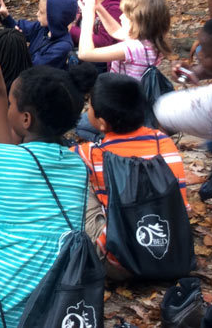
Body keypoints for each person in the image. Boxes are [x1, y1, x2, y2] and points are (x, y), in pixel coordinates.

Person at [0, 57, 96, 328]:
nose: (8, 108)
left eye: (10, 105)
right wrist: (2, 92)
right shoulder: (79, 166)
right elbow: (8, 154)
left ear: (25, 118)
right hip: (53, 311)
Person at [73, 72, 188, 279]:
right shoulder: (164, 142)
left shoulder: (90, 153)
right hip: (171, 252)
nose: (87, 109)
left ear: (102, 123)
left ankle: (99, 247)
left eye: (89, 105)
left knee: (80, 184)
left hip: (119, 264)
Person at [154, 13, 212, 264]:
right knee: (165, 108)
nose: (199, 55)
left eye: (206, 54)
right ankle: (150, 171)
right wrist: (196, 72)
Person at [44, 0, 129, 64]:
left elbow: (104, 42)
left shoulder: (114, 8)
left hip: (93, 59)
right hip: (73, 45)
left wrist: (71, 30)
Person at [77, 0, 171, 79]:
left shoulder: (134, 47)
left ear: (138, 23)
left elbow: (85, 54)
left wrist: (88, 17)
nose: (121, 17)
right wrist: (98, 7)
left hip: (122, 94)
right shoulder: (149, 40)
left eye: (126, 15)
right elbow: (116, 31)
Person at [0, 0, 79, 70]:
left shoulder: (62, 47)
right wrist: (5, 15)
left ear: (53, 17)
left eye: (41, 12)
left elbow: (34, 68)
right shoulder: (43, 28)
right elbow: (21, 28)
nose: (37, 14)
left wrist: (19, 45)